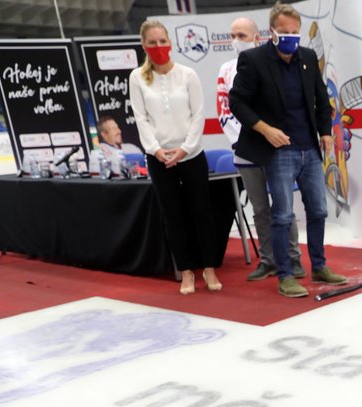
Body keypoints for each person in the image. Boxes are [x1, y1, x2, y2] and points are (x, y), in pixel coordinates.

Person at [229, 2, 348, 298]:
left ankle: (319, 266)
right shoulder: (253, 60)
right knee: (282, 215)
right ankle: (285, 275)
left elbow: (322, 100)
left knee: (319, 210)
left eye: (295, 32)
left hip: (310, 148)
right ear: (272, 31)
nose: (292, 37)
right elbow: (236, 102)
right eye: (285, 32)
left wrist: (325, 133)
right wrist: (264, 129)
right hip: (279, 151)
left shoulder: (307, 58)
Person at [129, 20, 222, 295]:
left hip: (191, 155)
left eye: (162, 41)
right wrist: (156, 150)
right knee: (173, 216)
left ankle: (209, 268)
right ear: (144, 45)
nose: (159, 47)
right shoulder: (137, 77)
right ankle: (186, 272)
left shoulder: (188, 74)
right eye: (153, 42)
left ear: (170, 43)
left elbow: (197, 115)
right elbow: (141, 118)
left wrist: (185, 149)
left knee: (202, 213)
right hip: (159, 158)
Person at [216, 15, 306, 282]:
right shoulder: (225, 70)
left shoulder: (274, 63)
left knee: (283, 206)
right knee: (259, 209)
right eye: (233, 35)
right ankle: (268, 260)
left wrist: (270, 137)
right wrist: (243, 142)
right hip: (244, 149)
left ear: (257, 36)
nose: (236, 41)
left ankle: (292, 258)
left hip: (275, 147)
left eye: (242, 35)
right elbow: (225, 110)